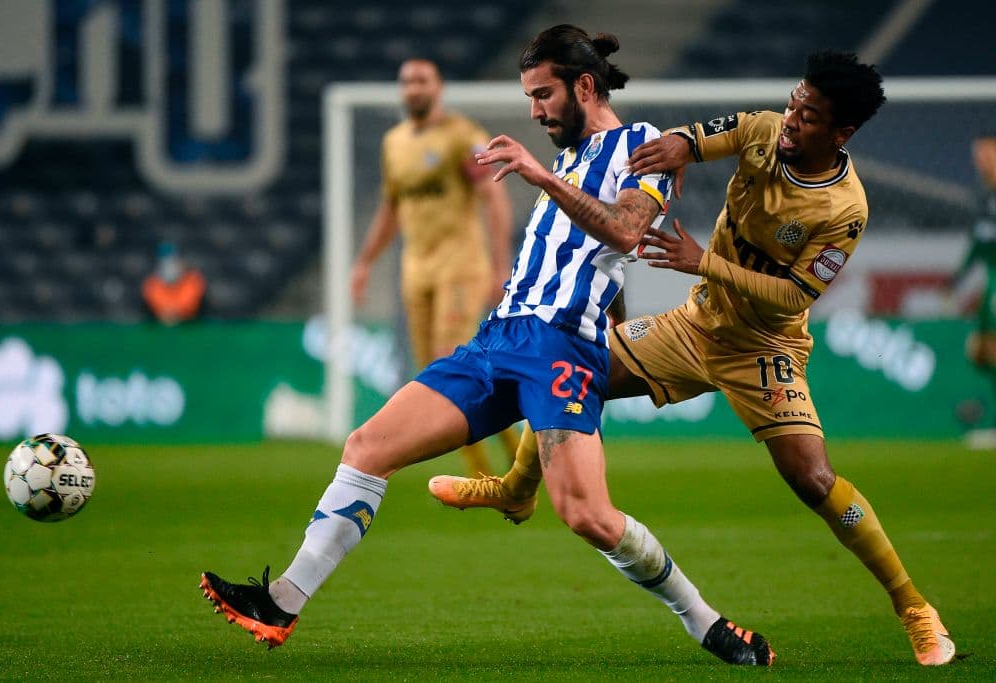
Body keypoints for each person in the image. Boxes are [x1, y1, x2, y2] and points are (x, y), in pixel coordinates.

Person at [200, 25, 773, 666]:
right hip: (499, 337)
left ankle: (704, 622)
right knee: (366, 448)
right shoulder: (569, 159)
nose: (535, 111)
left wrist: (540, 178)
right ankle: (282, 601)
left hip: (561, 348)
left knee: (587, 515)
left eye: (543, 94)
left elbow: (625, 233)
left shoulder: (643, 147)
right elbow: (593, 258)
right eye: (529, 97)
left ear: (585, 86)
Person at [429, 50, 957, 667]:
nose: (791, 121)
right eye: (794, 103)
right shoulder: (762, 130)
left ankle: (914, 608)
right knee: (575, 362)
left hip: (764, 349)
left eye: (809, 117)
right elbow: (686, 139)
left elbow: (795, 294)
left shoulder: (845, 210)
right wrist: (672, 154)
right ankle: (517, 490)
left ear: (841, 133)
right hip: (694, 326)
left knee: (813, 479)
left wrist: (703, 262)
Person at [349, 57, 519, 476]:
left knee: (451, 365)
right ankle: (502, 461)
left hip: (460, 264)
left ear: (438, 87)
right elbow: (392, 209)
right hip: (416, 270)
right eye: (407, 81)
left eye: (422, 80)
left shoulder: (462, 137)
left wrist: (501, 266)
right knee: (433, 375)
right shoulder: (394, 143)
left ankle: (494, 473)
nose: (414, 88)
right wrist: (364, 262)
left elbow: (494, 197)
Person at [952, 133, 996, 446]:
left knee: (990, 347)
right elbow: (979, 245)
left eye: (988, 154)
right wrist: (956, 281)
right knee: (980, 350)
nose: (981, 161)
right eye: (978, 155)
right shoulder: (982, 197)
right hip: (991, 279)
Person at [142, 242, 206, 325]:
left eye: (173, 261)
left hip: (190, 323)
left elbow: (191, 302)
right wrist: (166, 312)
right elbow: (155, 302)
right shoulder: (152, 283)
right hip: (159, 323)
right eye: (165, 262)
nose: (169, 266)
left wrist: (177, 312)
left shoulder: (193, 279)